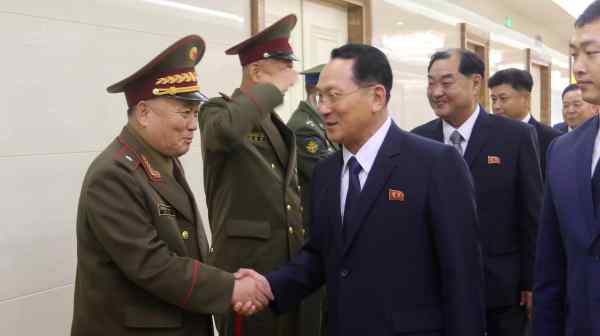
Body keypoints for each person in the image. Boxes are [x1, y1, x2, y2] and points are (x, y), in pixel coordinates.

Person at [237, 43, 485, 336]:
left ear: (377, 97)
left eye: (334, 96)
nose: (323, 108)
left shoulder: (435, 164)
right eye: (319, 96)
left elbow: (462, 274)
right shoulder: (326, 172)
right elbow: (320, 255)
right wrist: (269, 286)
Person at [71, 35, 270, 336]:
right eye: (184, 112)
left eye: (195, 113)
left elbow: (185, 247)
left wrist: (225, 279)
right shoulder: (113, 175)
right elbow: (152, 264)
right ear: (143, 113)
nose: (193, 125)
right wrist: (230, 288)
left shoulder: (163, 159)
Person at [412, 49, 543, 336]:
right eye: (430, 83)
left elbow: (531, 213)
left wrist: (532, 282)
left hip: (501, 289)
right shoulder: (418, 140)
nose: (436, 92)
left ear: (475, 84)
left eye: (446, 83)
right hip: (436, 287)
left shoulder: (515, 137)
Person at [198, 14, 306, 336]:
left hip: (281, 273)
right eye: (283, 70)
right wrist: (272, 90)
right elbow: (226, 131)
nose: (292, 77)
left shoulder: (274, 123)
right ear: (256, 71)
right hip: (245, 271)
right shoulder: (216, 112)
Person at [534, 2, 600, 335]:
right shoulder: (563, 151)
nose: (579, 68)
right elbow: (551, 267)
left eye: (591, 53)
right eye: (575, 55)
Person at [286, 63, 338, 336]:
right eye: (328, 97)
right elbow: (329, 172)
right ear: (316, 96)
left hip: (324, 230)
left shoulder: (319, 125)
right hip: (310, 232)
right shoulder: (304, 128)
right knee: (313, 317)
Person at [489, 68, 561, 178]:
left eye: (503, 99)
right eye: (494, 99)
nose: (496, 106)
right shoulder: (488, 137)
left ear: (526, 99)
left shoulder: (552, 140)